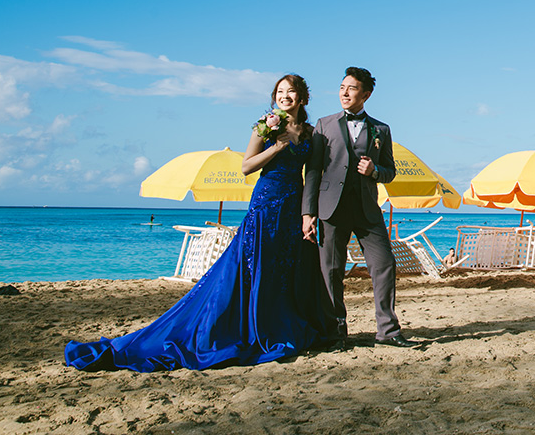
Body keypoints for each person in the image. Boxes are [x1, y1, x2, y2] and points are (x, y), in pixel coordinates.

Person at [65, 75, 337, 371]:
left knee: (284, 268)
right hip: (266, 202)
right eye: (280, 92)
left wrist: (308, 213)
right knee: (254, 266)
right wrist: (275, 148)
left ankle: (281, 323)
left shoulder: (310, 132)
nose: (285, 96)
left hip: (293, 204)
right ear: (275, 97)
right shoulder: (266, 125)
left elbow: (312, 174)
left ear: (303, 98)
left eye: (291, 92)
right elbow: (246, 166)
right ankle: (252, 328)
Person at [303, 67, 416, 348]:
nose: (344, 92)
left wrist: (374, 170)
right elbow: (313, 171)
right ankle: (335, 332)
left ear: (365, 94)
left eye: (351, 88)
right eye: (342, 87)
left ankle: (388, 332)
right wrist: (308, 213)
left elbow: (390, 171)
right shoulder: (323, 124)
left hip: (367, 210)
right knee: (331, 271)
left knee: (384, 265)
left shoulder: (381, 129)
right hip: (331, 209)